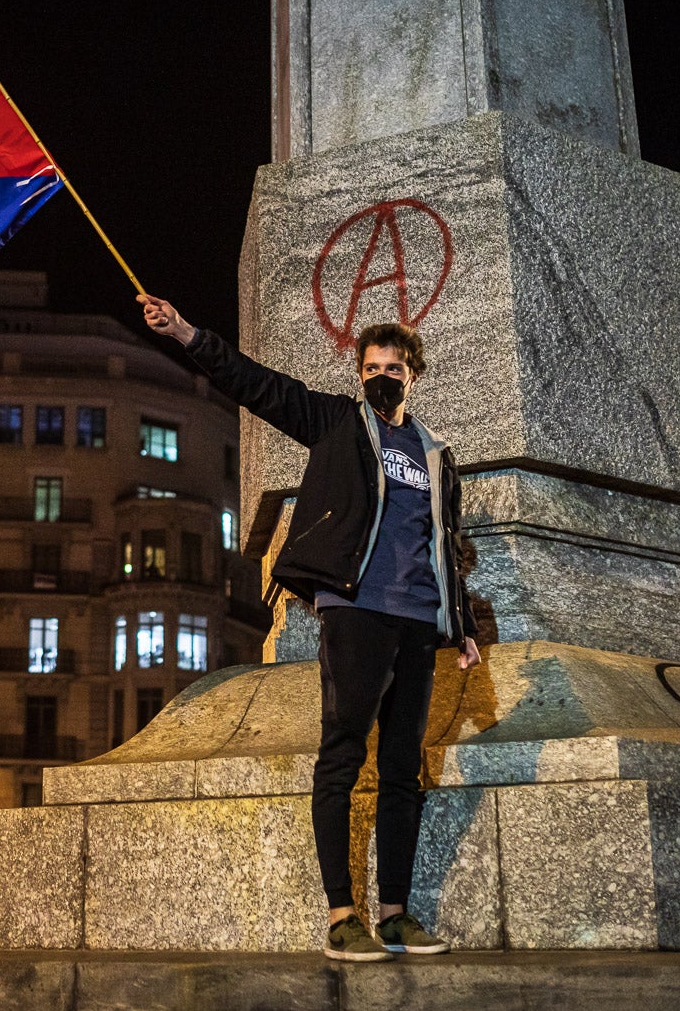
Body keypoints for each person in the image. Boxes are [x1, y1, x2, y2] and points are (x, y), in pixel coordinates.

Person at [140, 294, 480, 962]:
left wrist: (460, 622)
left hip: (417, 620)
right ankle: (340, 915)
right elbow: (259, 386)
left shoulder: (437, 457)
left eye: (395, 366)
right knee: (343, 754)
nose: (383, 375)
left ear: (415, 373)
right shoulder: (336, 422)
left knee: (403, 768)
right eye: (373, 365)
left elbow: (446, 542)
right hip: (356, 610)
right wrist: (186, 331)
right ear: (360, 374)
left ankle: (395, 914)